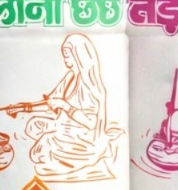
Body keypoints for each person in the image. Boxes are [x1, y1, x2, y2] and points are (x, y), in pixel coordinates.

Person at [6, 33, 123, 181]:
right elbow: (50, 103)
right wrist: (23, 107)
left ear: (79, 55)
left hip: (82, 136)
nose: (65, 59)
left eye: (67, 54)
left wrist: (66, 107)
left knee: (39, 153)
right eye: (64, 55)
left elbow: (90, 123)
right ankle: (55, 146)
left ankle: (68, 156)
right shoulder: (70, 77)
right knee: (33, 126)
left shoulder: (90, 87)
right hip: (63, 126)